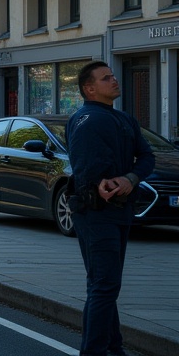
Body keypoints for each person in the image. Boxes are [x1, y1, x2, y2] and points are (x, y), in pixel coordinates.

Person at [67, 61, 154, 356]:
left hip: (120, 212)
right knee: (104, 286)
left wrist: (131, 178)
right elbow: (83, 167)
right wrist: (101, 182)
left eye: (113, 75)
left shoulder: (125, 119)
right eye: (106, 78)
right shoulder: (86, 120)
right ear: (89, 89)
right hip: (96, 213)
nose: (114, 80)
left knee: (105, 285)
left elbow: (146, 157)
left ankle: (114, 349)